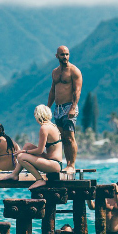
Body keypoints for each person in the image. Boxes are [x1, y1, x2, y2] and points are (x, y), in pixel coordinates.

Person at [1, 105, 66, 190]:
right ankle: (14, 174)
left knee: (21, 157)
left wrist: (24, 152)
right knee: (28, 145)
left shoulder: (44, 128)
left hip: (54, 164)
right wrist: (25, 150)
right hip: (53, 161)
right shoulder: (52, 125)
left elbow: (39, 151)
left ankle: (39, 179)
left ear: (38, 115)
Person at [46, 46, 82, 175]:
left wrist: (73, 107)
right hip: (58, 108)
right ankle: (59, 164)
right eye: (62, 55)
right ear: (57, 56)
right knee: (60, 137)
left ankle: (71, 165)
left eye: (67, 54)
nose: (65, 57)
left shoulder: (74, 71)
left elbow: (77, 91)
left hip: (69, 107)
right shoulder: (55, 72)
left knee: (69, 137)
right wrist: (47, 108)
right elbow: (52, 90)